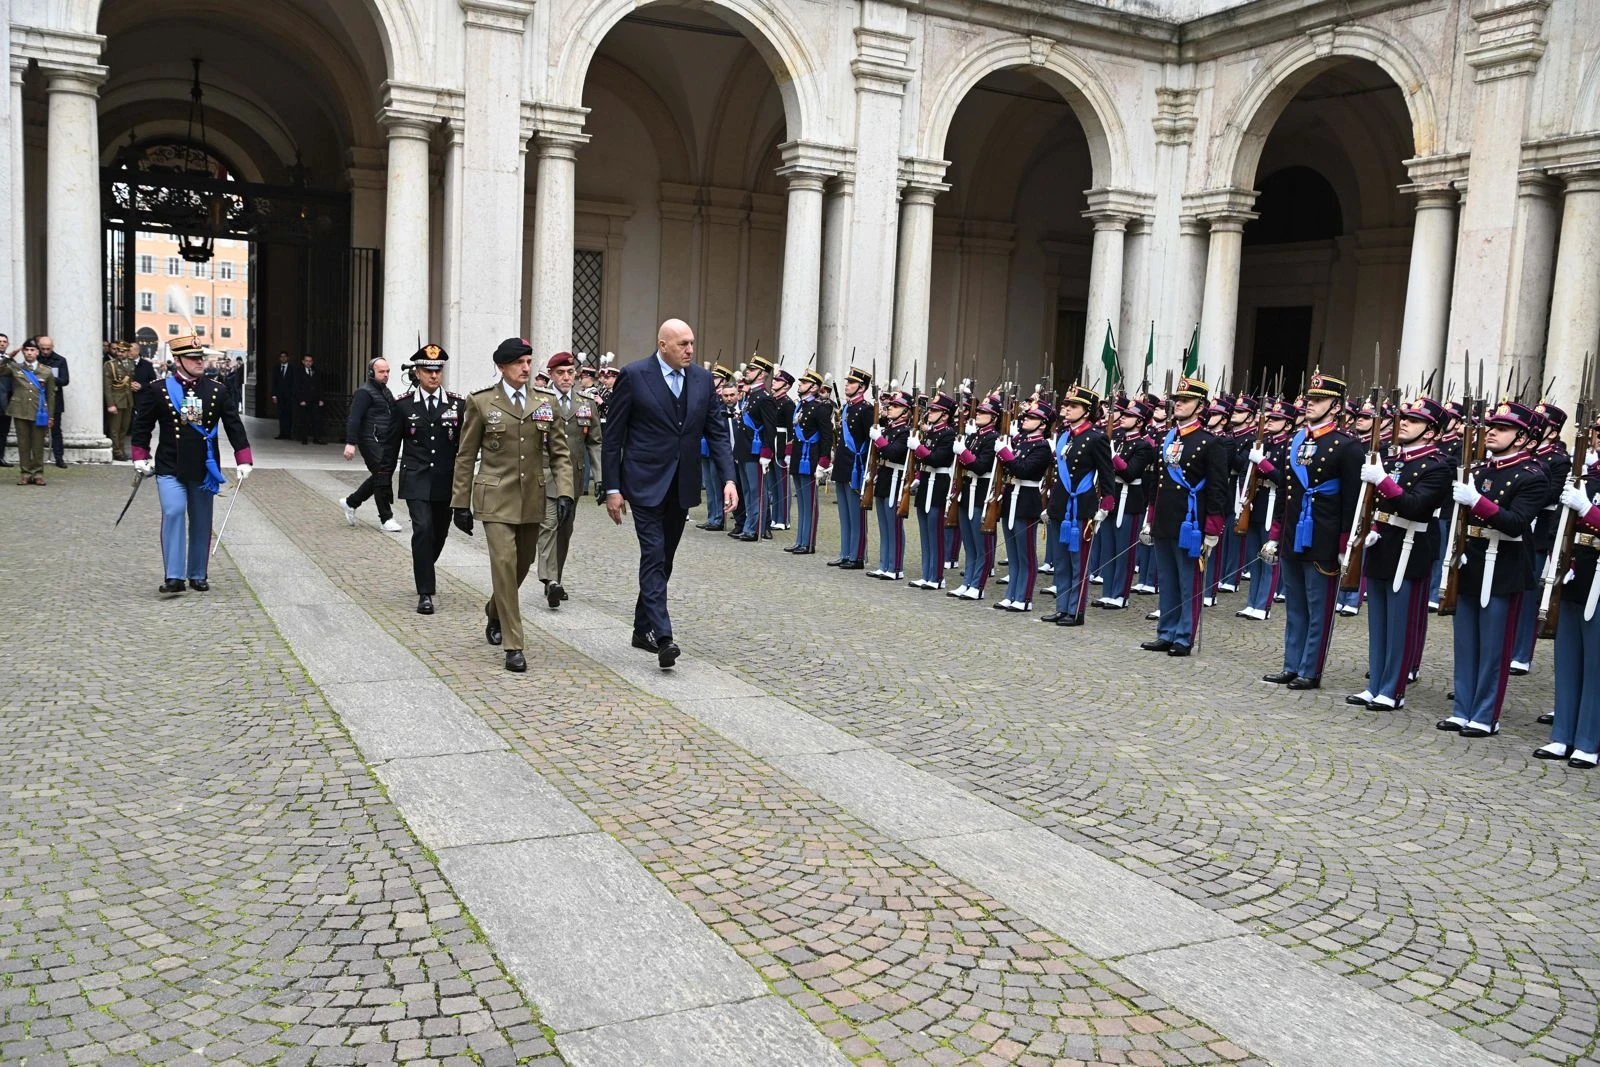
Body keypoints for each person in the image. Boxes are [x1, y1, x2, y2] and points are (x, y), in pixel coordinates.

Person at [601, 318, 737, 670]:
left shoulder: (703, 380)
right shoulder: (634, 375)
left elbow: (718, 433)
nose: (690, 350)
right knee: (654, 554)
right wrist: (612, 488)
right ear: (663, 345)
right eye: (682, 344)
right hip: (643, 483)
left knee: (666, 560)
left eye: (692, 343)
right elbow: (613, 437)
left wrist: (729, 480)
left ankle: (640, 628)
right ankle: (664, 637)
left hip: (682, 484)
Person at [451, 337, 576, 672]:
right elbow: (465, 457)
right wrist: (459, 503)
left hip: (533, 496)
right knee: (504, 562)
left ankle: (495, 610)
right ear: (502, 367)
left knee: (522, 564)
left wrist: (564, 492)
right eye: (519, 363)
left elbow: (560, 454)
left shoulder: (545, 402)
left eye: (528, 361)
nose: (526, 368)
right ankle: (513, 644)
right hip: (494, 496)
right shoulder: (480, 403)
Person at [1437, 400, 1548, 736]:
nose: (1493, 432)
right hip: (1472, 560)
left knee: (1493, 647)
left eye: (1502, 429)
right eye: (1492, 427)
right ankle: (1462, 708)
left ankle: (1485, 715)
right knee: (1466, 641)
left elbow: (1516, 523)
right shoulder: (1481, 471)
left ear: (1524, 438)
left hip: (1504, 567)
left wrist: (1477, 501)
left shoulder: (1533, 476)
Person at [1346, 397, 1452, 710]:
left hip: (1411, 546)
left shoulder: (1438, 466)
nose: (1403, 422)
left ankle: (1392, 690)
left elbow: (1415, 505)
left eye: (1414, 420)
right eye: (1403, 417)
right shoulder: (1393, 461)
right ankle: (1376, 683)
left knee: (1400, 623)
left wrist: (1382, 482)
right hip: (1383, 542)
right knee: (1378, 620)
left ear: (1431, 432)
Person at [1260, 373, 1363, 690]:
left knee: (1318, 609)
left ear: (1335, 406)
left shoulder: (1347, 447)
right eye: (1308, 399)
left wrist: (1346, 545)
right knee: (1295, 607)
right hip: (1294, 534)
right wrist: (1276, 535)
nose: (1309, 404)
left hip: (1324, 537)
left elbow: (1353, 503)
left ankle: (1310, 669)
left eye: (1317, 400)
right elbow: (1287, 494)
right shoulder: (1296, 442)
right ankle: (1291, 664)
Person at [129, 335, 253, 592]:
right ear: (177, 361)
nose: (200, 362)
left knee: (201, 519)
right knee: (173, 513)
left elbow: (233, 425)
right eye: (193, 358)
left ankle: (197, 573)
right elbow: (142, 425)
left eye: (201, 357)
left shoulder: (216, 390)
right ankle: (174, 577)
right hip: (169, 465)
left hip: (202, 467)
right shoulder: (158, 389)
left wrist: (243, 458)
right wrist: (140, 455)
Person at [1140, 377, 1229, 656]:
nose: (1178, 403)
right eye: (1177, 399)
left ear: (1200, 407)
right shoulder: (1168, 438)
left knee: (1188, 579)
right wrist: (1151, 515)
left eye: (1186, 400)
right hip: (1166, 518)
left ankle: (1183, 635)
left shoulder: (1209, 443)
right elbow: (1158, 480)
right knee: (1166, 578)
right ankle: (1166, 632)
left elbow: (1218, 488)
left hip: (1191, 522)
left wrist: (1213, 528)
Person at [1539, 417, 1600, 768]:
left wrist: (1587, 509)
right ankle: (1563, 734)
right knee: (1567, 659)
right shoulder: (1587, 477)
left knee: (1594, 663)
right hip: (1578, 571)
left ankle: (1589, 740)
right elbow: (1563, 528)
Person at [392, 344, 465, 615]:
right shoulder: (403, 405)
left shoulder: (458, 405)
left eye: (438, 370)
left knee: (439, 533)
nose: (434, 376)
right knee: (422, 529)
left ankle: (424, 566)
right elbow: (390, 446)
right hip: (416, 479)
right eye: (427, 370)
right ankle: (425, 592)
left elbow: (464, 449)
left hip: (445, 481)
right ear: (417, 373)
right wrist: (382, 479)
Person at [1042, 385, 1115, 625]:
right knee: (1061, 562)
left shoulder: (1097, 438)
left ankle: (1075, 611)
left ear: (1087, 411)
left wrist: (1106, 503)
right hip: (1060, 506)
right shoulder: (1064, 435)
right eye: (1066, 405)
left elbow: (1106, 474)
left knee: (1078, 563)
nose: (1067, 410)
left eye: (1073, 406)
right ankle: (1062, 607)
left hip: (1081, 507)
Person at [1509, 402, 1570, 674]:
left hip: (1539, 530)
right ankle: (1508, 648)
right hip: (1517, 525)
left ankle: (1522, 652)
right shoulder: (1523, 456)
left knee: (1530, 591)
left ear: (1553, 432)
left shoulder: (1558, 459)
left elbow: (1550, 493)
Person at [993, 400, 1053, 611]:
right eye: (1026, 417)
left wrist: (1005, 454)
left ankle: (1024, 597)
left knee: (1026, 554)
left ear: (1043, 424)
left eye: (1032, 418)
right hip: (1011, 497)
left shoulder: (1042, 447)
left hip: (1027, 499)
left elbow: (1023, 470)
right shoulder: (1021, 442)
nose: (1025, 419)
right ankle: (1011, 594)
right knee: (1013, 553)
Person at [1097, 395, 1157, 610]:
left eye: (1130, 416)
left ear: (1140, 422)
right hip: (1112, 495)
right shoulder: (1119, 441)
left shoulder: (1143, 446)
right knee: (1108, 547)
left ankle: (1120, 594)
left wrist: (1112, 457)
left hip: (1129, 500)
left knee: (1123, 550)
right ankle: (1107, 592)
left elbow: (1131, 473)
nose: (1124, 418)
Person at [536, 351, 586, 607]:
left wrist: (601, 479)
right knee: (549, 524)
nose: (566, 377)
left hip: (574, 477)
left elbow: (596, 443)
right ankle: (549, 581)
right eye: (560, 373)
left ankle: (556, 577)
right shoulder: (539, 401)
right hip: (546, 474)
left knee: (565, 530)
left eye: (570, 372)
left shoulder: (585, 403)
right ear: (552, 376)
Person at [948, 391, 1001, 600]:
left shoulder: (992, 439)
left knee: (981, 545)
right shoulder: (974, 437)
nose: (978, 414)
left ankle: (978, 585)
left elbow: (981, 466)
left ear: (994, 418)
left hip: (981, 492)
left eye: (983, 412)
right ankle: (967, 581)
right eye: (978, 411)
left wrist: (964, 453)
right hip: (967, 492)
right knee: (969, 544)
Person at [341, 357, 401, 531]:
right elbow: (354, 418)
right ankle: (386, 518)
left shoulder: (385, 391)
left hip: (384, 440)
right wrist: (350, 443)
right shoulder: (364, 392)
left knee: (380, 475)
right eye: (381, 371)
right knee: (382, 474)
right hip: (370, 440)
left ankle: (351, 502)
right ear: (371, 373)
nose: (385, 375)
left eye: (387, 371)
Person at [908, 391, 957, 587]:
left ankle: (936, 577)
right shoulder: (931, 433)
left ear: (945, 415)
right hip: (927, 480)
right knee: (925, 532)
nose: (930, 413)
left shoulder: (948, 434)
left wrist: (918, 448)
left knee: (935, 532)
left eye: (935, 410)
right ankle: (926, 573)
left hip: (939, 483)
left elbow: (938, 459)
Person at [829, 366, 875, 570]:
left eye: (851, 382)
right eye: (847, 382)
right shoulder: (847, 408)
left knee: (856, 515)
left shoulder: (866, 409)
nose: (847, 384)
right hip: (842, 465)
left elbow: (870, 442)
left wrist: (867, 470)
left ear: (861, 387)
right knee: (844, 514)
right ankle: (845, 552)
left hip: (856, 466)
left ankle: (856, 556)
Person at [788, 369, 834, 555]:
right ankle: (800, 539)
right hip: (800, 457)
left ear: (814, 387)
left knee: (810, 503)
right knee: (801, 503)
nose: (800, 385)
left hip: (811, 457)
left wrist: (823, 462)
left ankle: (808, 542)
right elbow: (795, 433)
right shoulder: (801, 406)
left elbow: (826, 436)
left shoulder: (820, 408)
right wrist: (789, 452)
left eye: (804, 382)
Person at [0, 338, 58, 485]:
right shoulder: (15, 367)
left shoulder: (46, 371)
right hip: (20, 410)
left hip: (40, 412)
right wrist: (8, 357)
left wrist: (51, 415)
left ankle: (38, 473)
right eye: (27, 350)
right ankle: (25, 473)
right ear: (23, 352)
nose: (29, 353)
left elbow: (51, 395)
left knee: (38, 444)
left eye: (32, 350)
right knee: (23, 444)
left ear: (38, 352)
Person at [868, 390, 912, 580]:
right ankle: (884, 564)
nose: (891, 408)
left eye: (895, 406)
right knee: (884, 525)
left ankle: (895, 567)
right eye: (891, 406)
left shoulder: (905, 432)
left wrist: (878, 439)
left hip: (895, 477)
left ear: (906, 411)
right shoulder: (889, 429)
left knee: (894, 525)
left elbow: (893, 453)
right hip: (884, 476)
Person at [697, 364, 736, 531]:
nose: (712, 381)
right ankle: (712, 515)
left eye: (716, 378)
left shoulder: (721, 400)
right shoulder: (711, 396)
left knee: (716, 481)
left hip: (716, 446)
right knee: (709, 483)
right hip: (705, 444)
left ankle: (719, 517)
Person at [36, 335, 68, 468]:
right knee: (37, 429)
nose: (45, 351)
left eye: (48, 349)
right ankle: (36, 457)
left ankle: (59, 457)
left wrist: (48, 378)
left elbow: (65, 380)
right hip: (37, 399)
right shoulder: (35, 358)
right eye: (42, 349)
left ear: (52, 348)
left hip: (55, 399)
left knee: (56, 430)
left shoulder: (60, 360)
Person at [104, 342, 137, 461]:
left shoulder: (131, 363)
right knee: (115, 429)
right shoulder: (110, 365)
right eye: (118, 351)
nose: (120, 353)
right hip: (116, 401)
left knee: (124, 428)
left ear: (128, 352)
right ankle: (117, 452)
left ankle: (121, 449)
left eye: (123, 351)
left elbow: (129, 381)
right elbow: (107, 387)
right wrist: (110, 404)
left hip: (128, 400)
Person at [292, 353, 325, 443]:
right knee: (304, 419)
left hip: (314, 400)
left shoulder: (316, 371)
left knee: (316, 419)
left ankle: (316, 438)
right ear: (303, 362)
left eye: (310, 361)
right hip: (304, 400)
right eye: (306, 361)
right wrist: (301, 399)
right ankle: (304, 437)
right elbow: (296, 387)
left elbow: (320, 386)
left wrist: (321, 399)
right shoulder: (298, 372)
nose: (308, 363)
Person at [272, 351, 294, 438]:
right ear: (279, 358)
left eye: (285, 356)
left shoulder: (292, 368)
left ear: (288, 358)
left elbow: (294, 383)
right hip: (280, 396)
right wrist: (274, 395)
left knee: (289, 415)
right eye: (281, 356)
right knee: (281, 415)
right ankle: (282, 433)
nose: (283, 358)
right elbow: (274, 382)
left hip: (289, 396)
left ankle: (288, 433)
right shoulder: (276, 368)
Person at [0, 333, 12, 467]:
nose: (2, 344)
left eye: (4, 342)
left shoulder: (12, 361)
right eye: (0, 341)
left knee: (3, 432)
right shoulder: (7, 359)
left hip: (7, 403)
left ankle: (1, 457)